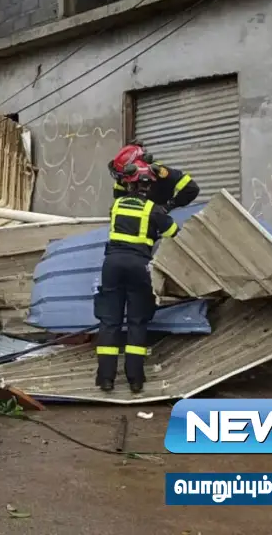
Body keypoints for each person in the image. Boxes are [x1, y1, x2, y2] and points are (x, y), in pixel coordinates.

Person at [96, 159, 179, 395]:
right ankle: (135, 380)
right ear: (148, 187)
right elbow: (173, 233)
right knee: (137, 321)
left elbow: (118, 189)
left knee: (109, 321)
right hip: (138, 266)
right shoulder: (152, 209)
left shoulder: (117, 206)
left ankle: (105, 379)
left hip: (111, 264)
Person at [109, 143, 200, 210]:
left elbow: (191, 188)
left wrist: (169, 206)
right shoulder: (122, 180)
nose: (123, 180)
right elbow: (119, 202)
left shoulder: (160, 173)